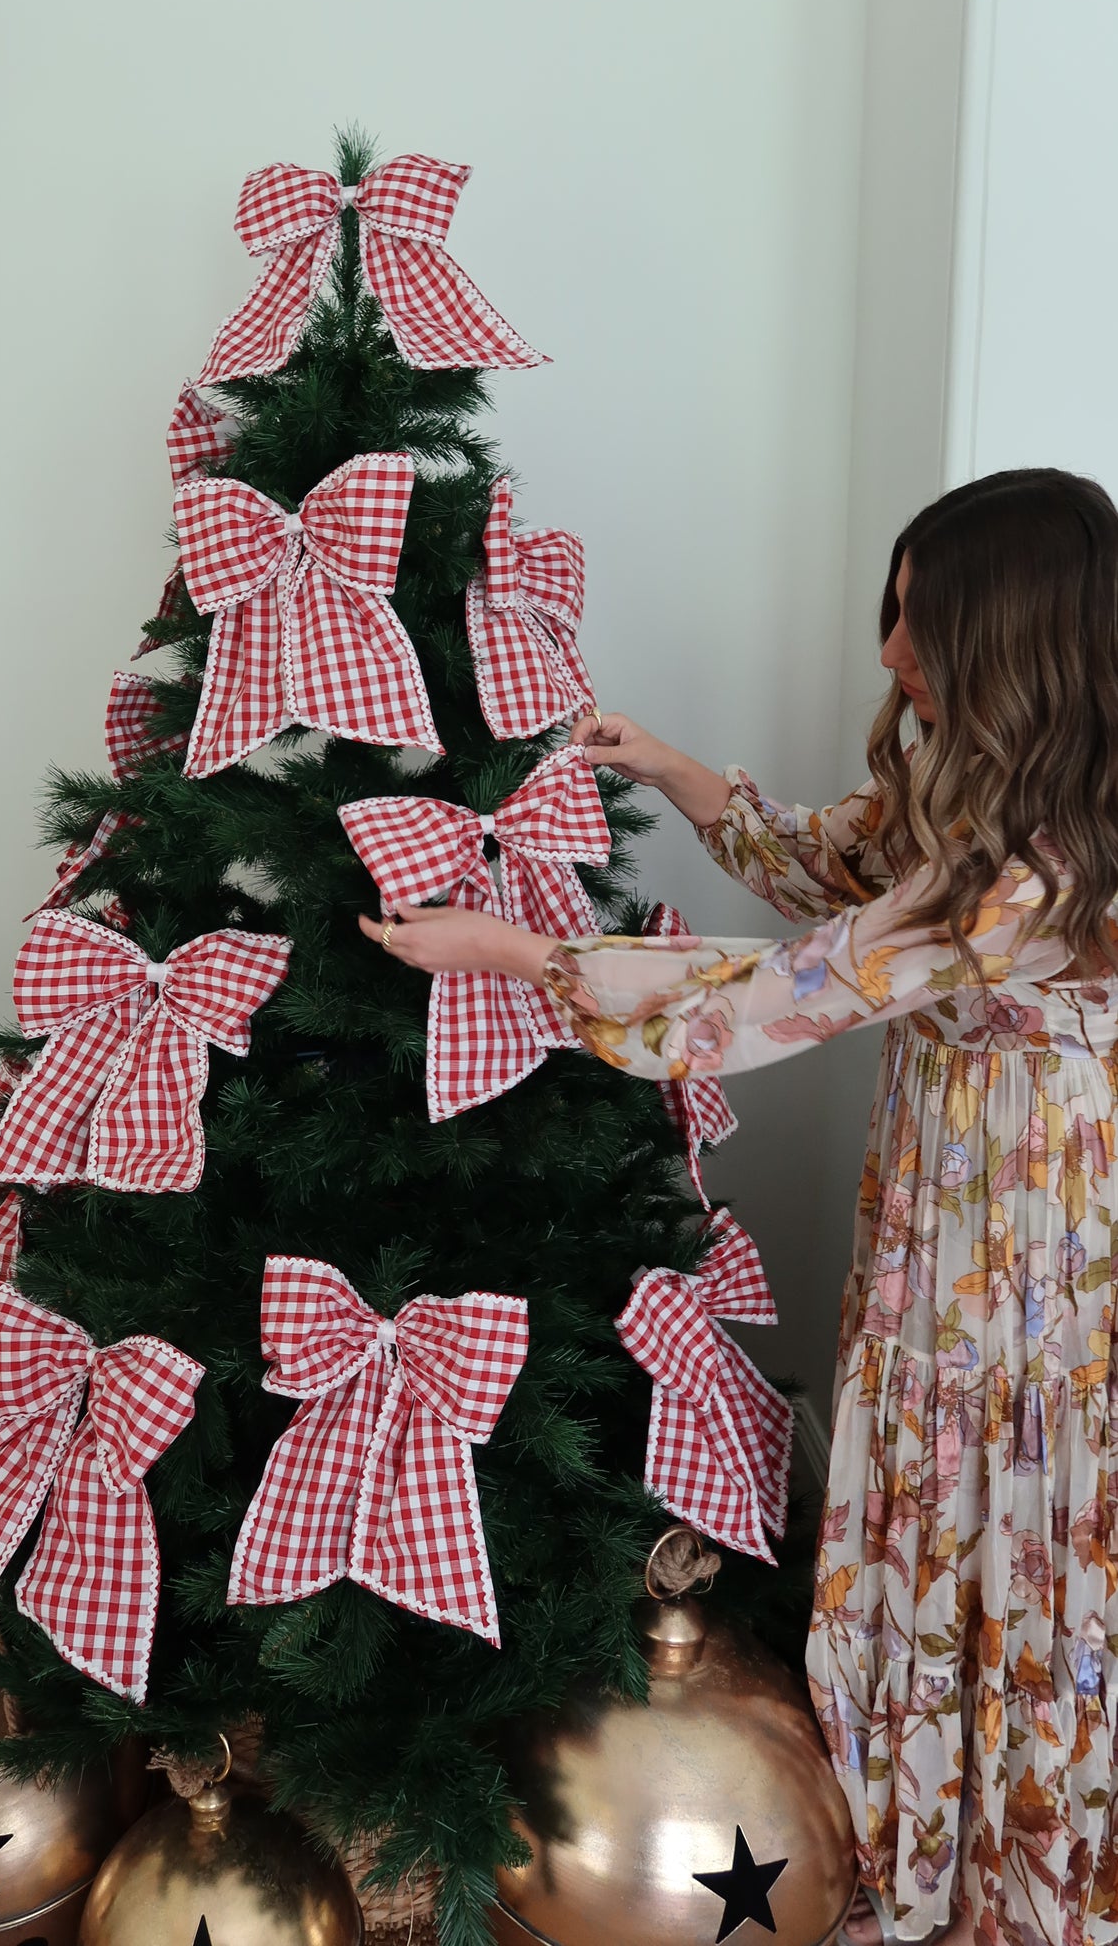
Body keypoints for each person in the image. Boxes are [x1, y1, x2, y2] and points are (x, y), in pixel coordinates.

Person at [359, 469, 1118, 1946]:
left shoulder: (1040, 865)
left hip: (1029, 1248)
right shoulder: (976, 798)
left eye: (920, 623)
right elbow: (826, 867)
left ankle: (1012, 1869)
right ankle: (934, 1812)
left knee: (1007, 1518)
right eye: (893, 614)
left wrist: (516, 956)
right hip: (947, 1225)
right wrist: (669, 767)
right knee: (935, 1498)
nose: (891, 653)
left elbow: (777, 997)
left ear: (1013, 636)